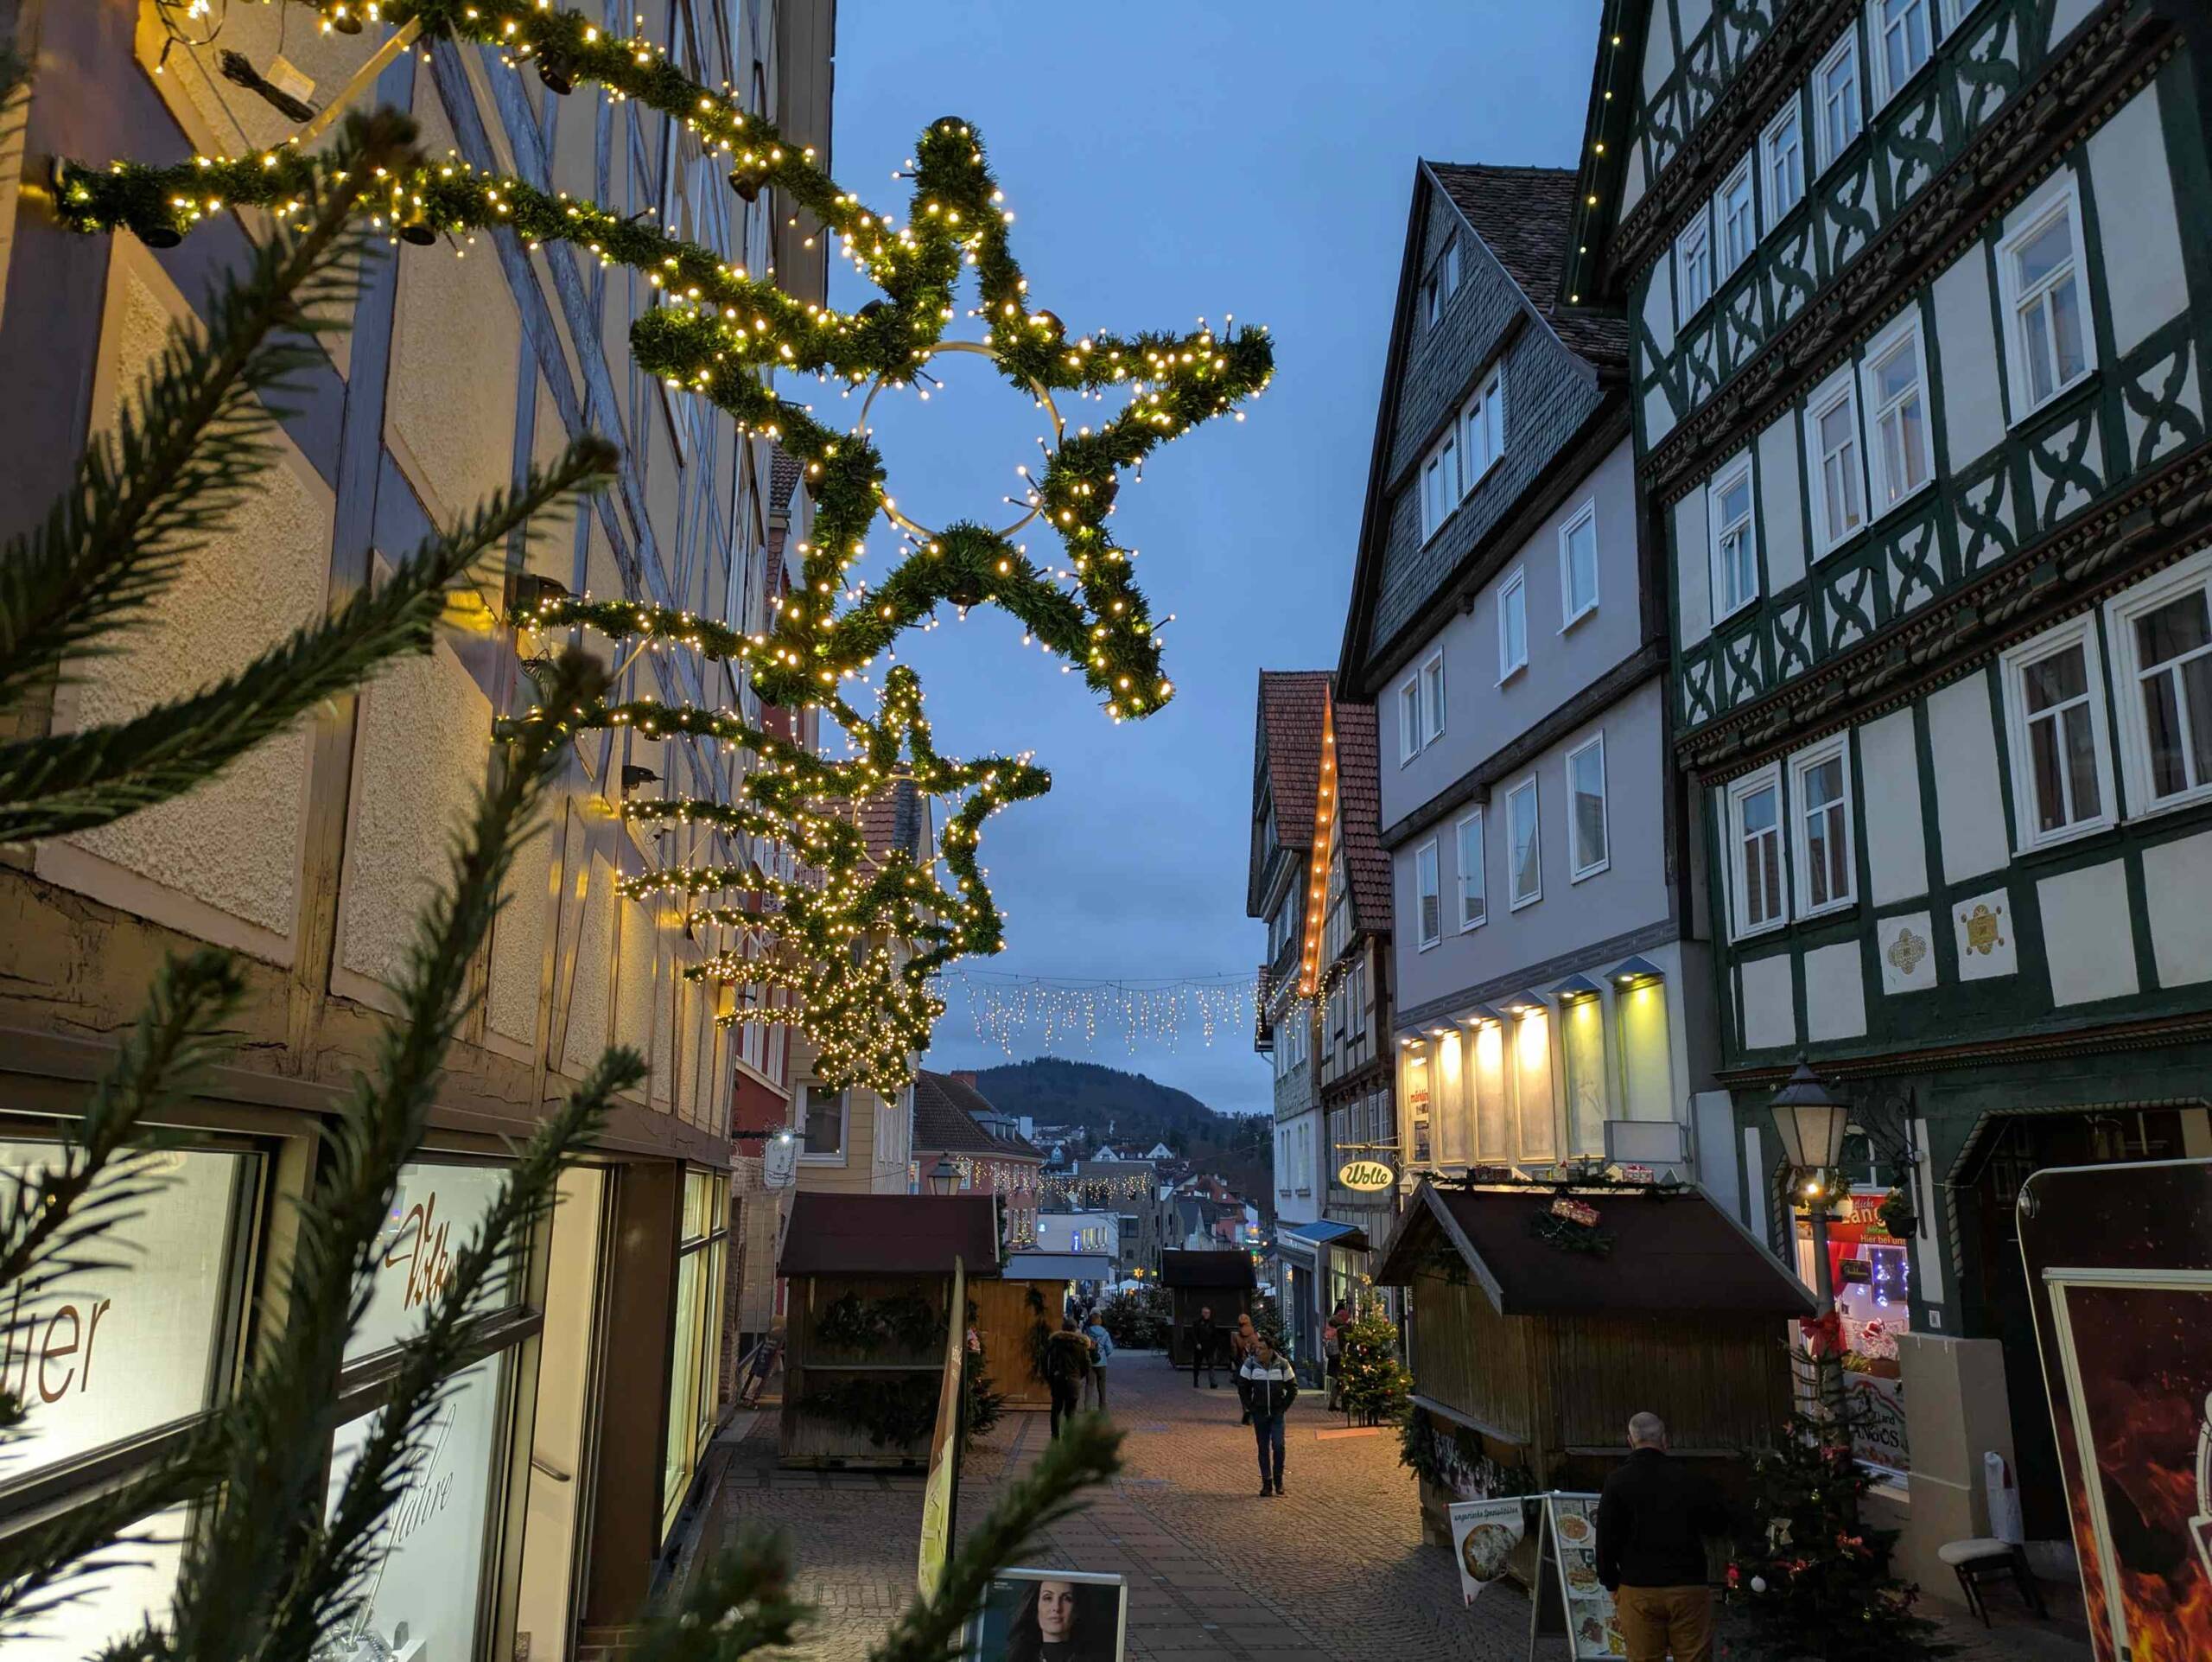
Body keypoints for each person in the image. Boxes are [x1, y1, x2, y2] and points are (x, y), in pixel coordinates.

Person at [1595, 1411, 1728, 1662]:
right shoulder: (1690, 1478)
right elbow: (1717, 1525)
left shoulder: (1617, 1482)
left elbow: (1605, 1540)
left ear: (1630, 1441)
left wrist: (1611, 1583)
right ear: (1665, 1440)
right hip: (1688, 1585)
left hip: (1638, 1587)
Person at [1238, 1335, 1299, 1497]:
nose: (1258, 1351)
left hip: (1277, 1414)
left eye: (1262, 1348)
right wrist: (1250, 1407)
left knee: (1279, 1446)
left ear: (1270, 1350)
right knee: (1263, 1448)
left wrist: (1283, 1407)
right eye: (1257, 1348)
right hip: (1260, 1413)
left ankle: (1278, 1481)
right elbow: (1242, 1387)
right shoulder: (1250, 1364)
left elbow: (1293, 1388)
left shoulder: (1282, 1364)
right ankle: (1267, 1483)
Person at [1003, 1576, 1110, 1662]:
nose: (1056, 1608)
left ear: (1077, 1610)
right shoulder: (1018, 1658)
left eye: (1067, 1599)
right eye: (1048, 1598)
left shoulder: (1097, 1658)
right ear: (1035, 1608)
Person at [1042, 1316, 1092, 1441]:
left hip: (1058, 1379)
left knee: (1056, 1411)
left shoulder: (1055, 1344)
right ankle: (1068, 1439)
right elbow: (1087, 1365)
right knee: (1071, 1412)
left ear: (1063, 1328)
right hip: (1073, 1381)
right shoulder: (1081, 1346)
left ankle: (1055, 1438)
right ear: (1075, 1330)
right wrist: (1079, 1376)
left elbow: (1045, 1362)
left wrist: (1049, 1378)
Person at [1081, 1309, 1114, 1412]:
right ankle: (1102, 1407)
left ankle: (1087, 1406)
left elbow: (1083, 1346)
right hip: (1102, 1362)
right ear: (1100, 1320)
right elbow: (1109, 1349)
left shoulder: (1087, 1332)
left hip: (1090, 1362)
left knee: (1089, 1384)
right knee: (1102, 1385)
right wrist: (1104, 1355)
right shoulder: (1105, 1333)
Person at [1229, 1314, 1259, 1423]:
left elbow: (1234, 1353)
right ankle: (1252, 1411)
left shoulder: (1235, 1336)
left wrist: (1235, 1363)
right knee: (1254, 1390)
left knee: (1243, 1390)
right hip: (1255, 1367)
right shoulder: (1256, 1335)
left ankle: (1246, 1408)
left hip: (1242, 1367)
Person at [1322, 1301, 1351, 1410]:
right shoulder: (1342, 1330)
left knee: (1338, 1382)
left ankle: (1332, 1404)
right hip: (1340, 1358)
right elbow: (1344, 1344)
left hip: (1332, 1359)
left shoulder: (1330, 1328)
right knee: (1343, 1381)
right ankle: (1344, 1405)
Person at [1190, 1304, 1221, 1389]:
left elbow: (1215, 1335)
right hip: (1199, 1348)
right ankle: (1195, 1381)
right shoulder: (1197, 1323)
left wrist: (1215, 1346)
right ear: (1202, 1313)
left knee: (1211, 1365)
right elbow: (1193, 1334)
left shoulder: (1212, 1323)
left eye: (1208, 1313)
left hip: (1209, 1348)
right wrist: (1197, 1343)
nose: (1207, 1314)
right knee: (1197, 1365)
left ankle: (1213, 1383)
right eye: (1205, 1313)